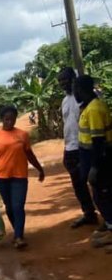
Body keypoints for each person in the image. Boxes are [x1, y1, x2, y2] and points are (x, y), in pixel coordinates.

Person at [0, 104, 45, 249]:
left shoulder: (23, 135)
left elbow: (30, 155)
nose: (9, 122)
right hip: (1, 178)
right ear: (2, 119)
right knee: (10, 207)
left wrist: (40, 169)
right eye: (6, 119)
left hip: (19, 177)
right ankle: (18, 232)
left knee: (18, 206)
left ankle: (18, 236)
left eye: (12, 119)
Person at [73, 74, 112, 248]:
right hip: (91, 157)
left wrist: (95, 167)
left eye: (76, 89)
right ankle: (109, 225)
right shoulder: (89, 107)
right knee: (101, 194)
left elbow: (98, 141)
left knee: (102, 195)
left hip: (101, 159)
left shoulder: (94, 109)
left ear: (81, 90)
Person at [58, 67, 98, 227]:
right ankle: (89, 213)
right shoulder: (65, 100)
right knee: (78, 184)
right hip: (70, 147)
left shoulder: (82, 97)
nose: (63, 83)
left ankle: (107, 217)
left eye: (65, 79)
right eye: (60, 81)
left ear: (73, 78)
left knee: (96, 181)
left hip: (85, 146)